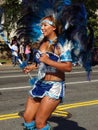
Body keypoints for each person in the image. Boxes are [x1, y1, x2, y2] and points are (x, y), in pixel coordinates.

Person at [23, 15, 72, 130]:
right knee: (28, 118)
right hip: (40, 83)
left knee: (40, 123)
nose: (42, 28)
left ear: (54, 27)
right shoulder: (42, 43)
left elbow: (68, 67)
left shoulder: (62, 45)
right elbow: (41, 62)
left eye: (45, 25)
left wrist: (49, 61)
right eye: (41, 26)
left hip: (54, 87)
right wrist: (32, 66)